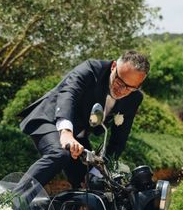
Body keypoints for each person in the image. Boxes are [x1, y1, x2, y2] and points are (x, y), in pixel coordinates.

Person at [18, 50, 150, 189]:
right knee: (60, 154)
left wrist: (98, 171)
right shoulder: (91, 69)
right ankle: (10, 204)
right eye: (119, 82)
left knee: (89, 183)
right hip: (49, 119)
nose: (122, 90)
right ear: (113, 67)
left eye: (131, 88)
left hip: (78, 135)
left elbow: (119, 140)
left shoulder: (134, 98)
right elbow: (69, 94)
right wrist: (66, 132)